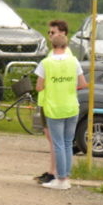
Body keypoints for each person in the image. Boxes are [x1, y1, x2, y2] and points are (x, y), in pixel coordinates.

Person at [36, 33, 87, 189]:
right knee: (67, 143)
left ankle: (61, 179)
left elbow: (39, 87)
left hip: (54, 107)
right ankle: (66, 177)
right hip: (71, 106)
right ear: (66, 46)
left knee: (58, 144)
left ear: (53, 46)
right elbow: (83, 83)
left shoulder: (46, 63)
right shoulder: (74, 61)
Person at [35, 20, 70, 183]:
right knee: (51, 138)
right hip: (47, 100)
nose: (50, 35)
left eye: (53, 32)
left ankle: (56, 173)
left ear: (62, 34)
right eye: (49, 32)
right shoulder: (53, 53)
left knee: (55, 139)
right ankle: (53, 170)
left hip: (54, 102)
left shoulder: (65, 56)